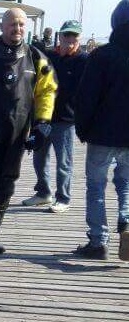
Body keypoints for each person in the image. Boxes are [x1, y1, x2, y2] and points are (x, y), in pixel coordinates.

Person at [0, 8, 57, 258]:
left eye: (21, 25)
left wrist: (42, 124)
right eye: (12, 24)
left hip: (18, 133)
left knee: (6, 184)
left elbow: (47, 91)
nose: (17, 29)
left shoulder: (36, 57)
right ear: (2, 27)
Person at [73, 0, 129, 261]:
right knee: (126, 184)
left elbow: (86, 98)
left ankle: (98, 241)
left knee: (96, 187)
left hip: (102, 135)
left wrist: (82, 129)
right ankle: (126, 223)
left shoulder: (101, 56)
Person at [23, 19, 88, 213]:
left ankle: (63, 198)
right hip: (43, 117)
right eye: (66, 35)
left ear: (79, 38)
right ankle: (43, 193)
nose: (70, 39)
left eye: (74, 36)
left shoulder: (84, 60)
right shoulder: (49, 56)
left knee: (64, 162)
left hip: (66, 120)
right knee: (39, 158)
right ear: (60, 36)